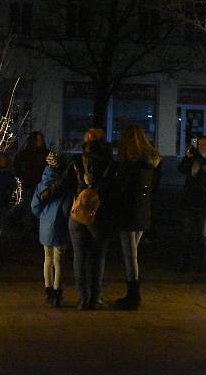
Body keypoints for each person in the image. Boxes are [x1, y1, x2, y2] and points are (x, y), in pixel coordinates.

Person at [51, 128, 114, 310]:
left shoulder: (77, 161)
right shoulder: (110, 163)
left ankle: (82, 298)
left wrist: (45, 194)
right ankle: (95, 297)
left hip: (78, 214)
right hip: (100, 216)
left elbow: (62, 183)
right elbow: (114, 189)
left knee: (79, 256)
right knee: (98, 258)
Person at [113, 126, 161, 310]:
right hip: (142, 210)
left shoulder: (130, 163)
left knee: (129, 255)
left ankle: (133, 295)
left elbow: (124, 188)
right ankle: (133, 293)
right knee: (132, 253)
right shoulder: (149, 161)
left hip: (128, 212)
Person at [31, 151, 70, 307]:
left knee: (47, 258)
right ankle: (57, 291)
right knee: (59, 261)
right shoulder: (64, 185)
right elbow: (67, 209)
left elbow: (34, 206)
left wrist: (44, 215)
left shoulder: (42, 184)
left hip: (45, 225)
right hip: (60, 225)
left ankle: (48, 290)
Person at [178, 135, 206, 273]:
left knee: (202, 233)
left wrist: (198, 157)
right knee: (187, 233)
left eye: (204, 144)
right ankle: (186, 262)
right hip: (189, 199)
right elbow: (182, 169)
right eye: (199, 144)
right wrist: (187, 157)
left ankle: (202, 264)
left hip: (205, 200)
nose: (201, 147)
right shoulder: (194, 157)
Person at [14, 132, 49, 231]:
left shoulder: (45, 153)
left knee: (41, 208)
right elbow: (17, 165)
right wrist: (22, 177)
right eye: (38, 139)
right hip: (29, 184)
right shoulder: (26, 153)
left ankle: (39, 230)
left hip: (42, 185)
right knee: (28, 208)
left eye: (41, 139)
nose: (40, 141)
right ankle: (28, 230)